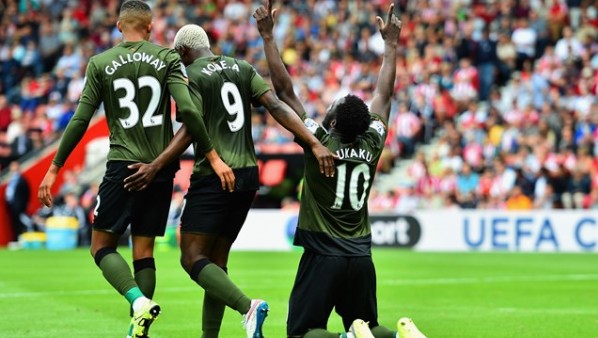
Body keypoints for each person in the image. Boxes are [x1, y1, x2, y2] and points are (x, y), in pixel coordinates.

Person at [123, 24, 336, 338]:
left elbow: (188, 131)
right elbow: (277, 105)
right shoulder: (242, 67)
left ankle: (247, 306)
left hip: (215, 176)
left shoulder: (190, 76)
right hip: (249, 176)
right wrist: (314, 143)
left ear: (182, 52)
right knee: (216, 262)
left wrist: (155, 166)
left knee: (192, 257)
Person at [37, 1, 234, 337]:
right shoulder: (167, 57)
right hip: (160, 169)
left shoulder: (100, 63)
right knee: (143, 252)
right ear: (150, 26)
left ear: (118, 26)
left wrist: (55, 167)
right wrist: (213, 155)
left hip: (123, 167)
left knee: (101, 247)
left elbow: (81, 119)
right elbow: (188, 109)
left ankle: (137, 302)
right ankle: (138, 327)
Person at [255, 2, 426, 338]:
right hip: (360, 255)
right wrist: (390, 46)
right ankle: (398, 336)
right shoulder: (373, 142)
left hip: (323, 254)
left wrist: (268, 38)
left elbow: (285, 92)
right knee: (370, 327)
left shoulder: (319, 141)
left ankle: (348, 337)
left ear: (332, 121)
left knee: (303, 333)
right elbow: (384, 94)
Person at [5, 161, 30, 242]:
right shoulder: (11, 180)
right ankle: (16, 239)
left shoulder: (22, 180)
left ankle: (22, 239)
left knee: (20, 223)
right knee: (13, 223)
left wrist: (23, 205)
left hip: (20, 207)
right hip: (11, 206)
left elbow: (26, 193)